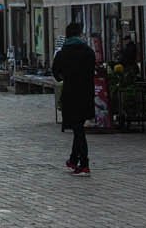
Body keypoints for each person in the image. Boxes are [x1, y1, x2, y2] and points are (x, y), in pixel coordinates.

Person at [52, 21, 96, 176]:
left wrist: (66, 76)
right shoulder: (88, 51)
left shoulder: (63, 53)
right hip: (86, 94)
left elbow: (56, 74)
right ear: (79, 34)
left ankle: (84, 163)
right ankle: (73, 160)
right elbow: (93, 70)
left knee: (78, 130)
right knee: (79, 128)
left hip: (71, 94)